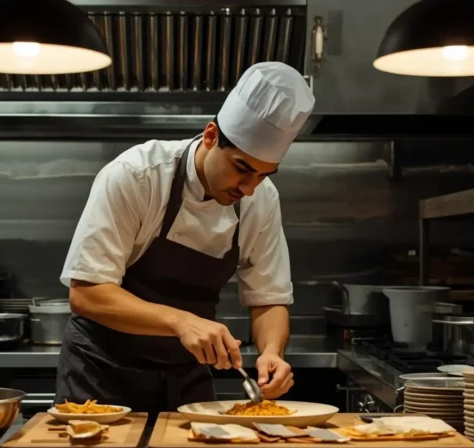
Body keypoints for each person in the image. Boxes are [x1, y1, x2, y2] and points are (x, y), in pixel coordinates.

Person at [54, 61, 315, 413]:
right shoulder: (137, 176)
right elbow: (87, 294)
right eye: (242, 168)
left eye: (264, 175)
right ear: (210, 136)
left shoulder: (261, 200)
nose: (250, 188)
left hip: (186, 376)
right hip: (101, 373)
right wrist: (181, 321)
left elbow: (268, 297)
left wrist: (271, 353)